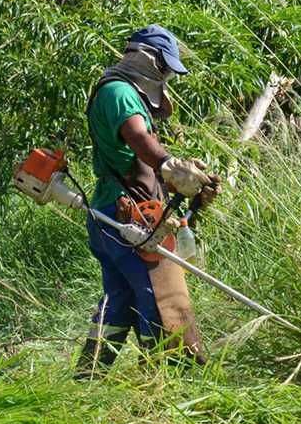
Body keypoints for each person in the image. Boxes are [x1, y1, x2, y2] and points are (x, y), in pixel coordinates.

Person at [76, 24, 220, 379]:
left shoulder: (120, 91)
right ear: (149, 59)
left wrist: (188, 184)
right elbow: (139, 138)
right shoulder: (119, 92)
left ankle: (86, 379)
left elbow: (142, 159)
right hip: (127, 218)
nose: (167, 75)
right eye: (166, 67)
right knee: (161, 300)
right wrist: (169, 165)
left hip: (117, 215)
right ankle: (165, 386)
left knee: (120, 303)